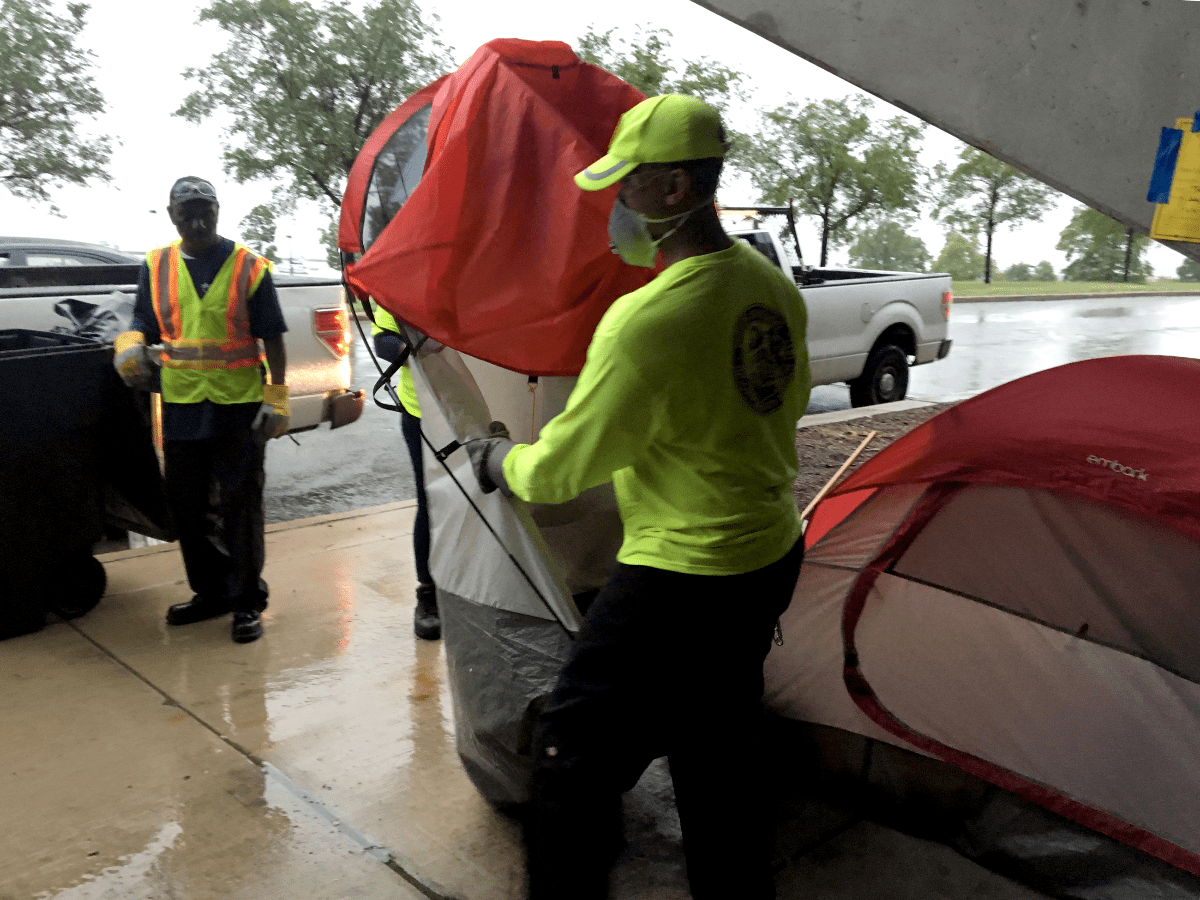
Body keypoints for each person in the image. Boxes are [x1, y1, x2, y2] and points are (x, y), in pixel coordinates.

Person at [467, 95, 811, 900]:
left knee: (569, 751)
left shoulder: (649, 320)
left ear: (675, 189)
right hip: (768, 551)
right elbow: (769, 408)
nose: (614, 206)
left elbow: (556, 473)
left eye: (627, 186)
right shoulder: (770, 288)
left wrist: (496, 460)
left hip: (684, 574)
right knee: (715, 742)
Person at [113, 176, 289, 644]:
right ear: (171, 214)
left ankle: (247, 600)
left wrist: (278, 400)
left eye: (204, 208)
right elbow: (143, 322)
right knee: (187, 511)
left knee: (240, 506)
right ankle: (212, 593)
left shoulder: (249, 266)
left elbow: (272, 336)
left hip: (239, 408)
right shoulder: (157, 265)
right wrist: (129, 343)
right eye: (187, 209)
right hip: (183, 405)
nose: (197, 217)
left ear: (217, 209)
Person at [371, 303, 439, 640]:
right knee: (430, 501)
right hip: (421, 412)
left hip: (479, 406)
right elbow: (382, 339)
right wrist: (407, 349)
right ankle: (428, 594)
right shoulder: (402, 277)